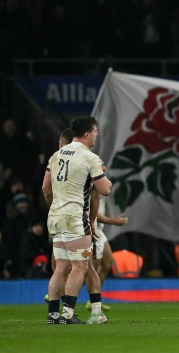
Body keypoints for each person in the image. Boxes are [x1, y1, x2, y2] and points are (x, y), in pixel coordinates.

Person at [43, 116, 112, 325]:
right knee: (79, 267)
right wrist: (104, 177)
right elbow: (104, 189)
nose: (96, 136)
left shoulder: (56, 155)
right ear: (87, 134)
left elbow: (46, 189)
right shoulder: (89, 157)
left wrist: (56, 207)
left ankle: (53, 315)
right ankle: (67, 315)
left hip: (55, 216)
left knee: (61, 266)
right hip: (75, 218)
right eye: (95, 132)